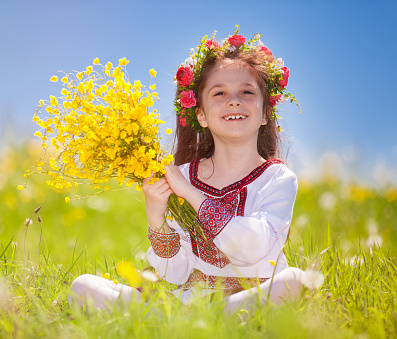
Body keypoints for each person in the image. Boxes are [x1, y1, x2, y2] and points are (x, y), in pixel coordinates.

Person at [68, 28, 304, 312]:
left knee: (294, 282)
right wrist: (156, 219)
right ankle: (193, 320)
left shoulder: (277, 178)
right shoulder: (183, 174)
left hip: (248, 296)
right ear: (201, 115)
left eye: (246, 91)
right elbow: (174, 273)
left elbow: (251, 248)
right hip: (190, 298)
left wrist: (191, 194)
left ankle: (194, 321)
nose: (234, 100)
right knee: (83, 286)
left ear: (266, 112)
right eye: (219, 93)